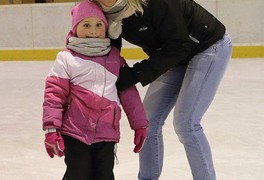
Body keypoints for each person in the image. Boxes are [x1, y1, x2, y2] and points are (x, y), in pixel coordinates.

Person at [92, 0, 233, 179]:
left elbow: (180, 44)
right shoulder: (103, 13)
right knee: (148, 122)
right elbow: (111, 51)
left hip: (207, 46)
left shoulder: (156, 2)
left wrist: (134, 74)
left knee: (186, 123)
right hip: (173, 55)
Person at [42, 1, 148, 180]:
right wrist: (51, 129)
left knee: (104, 175)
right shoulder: (67, 59)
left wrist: (139, 124)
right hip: (75, 131)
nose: (93, 30)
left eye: (99, 25)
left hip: (106, 131)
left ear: (106, 29)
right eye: (86, 25)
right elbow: (54, 94)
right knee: (78, 174)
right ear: (75, 28)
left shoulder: (115, 58)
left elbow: (129, 94)